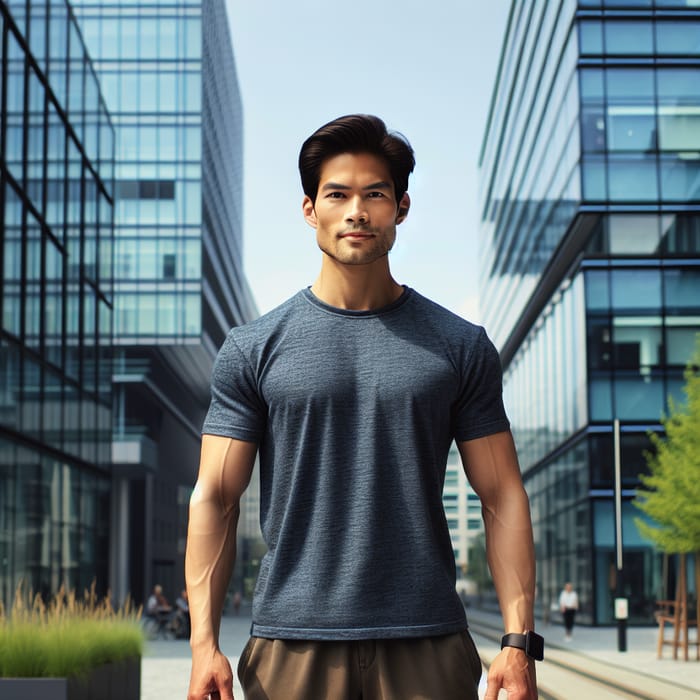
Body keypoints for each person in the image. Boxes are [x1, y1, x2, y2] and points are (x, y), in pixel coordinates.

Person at [185, 114, 542, 700]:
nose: (357, 210)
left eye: (374, 194)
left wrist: (518, 643)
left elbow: (502, 494)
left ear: (400, 207)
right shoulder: (253, 348)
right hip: (292, 648)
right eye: (337, 194)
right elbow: (216, 498)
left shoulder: (459, 346)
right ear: (310, 210)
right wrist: (203, 646)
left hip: (428, 642)